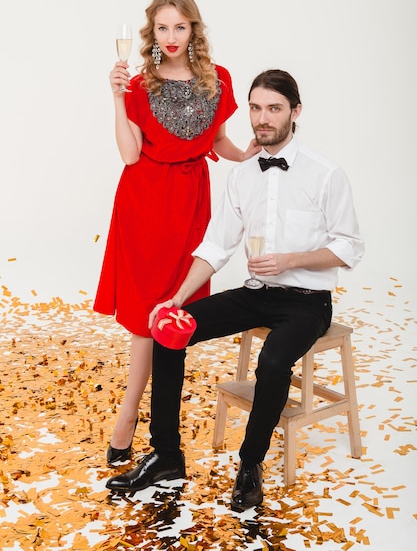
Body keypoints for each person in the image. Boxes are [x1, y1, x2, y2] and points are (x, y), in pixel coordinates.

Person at [105, 69, 364, 511]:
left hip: (305, 302)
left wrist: (292, 260)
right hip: (257, 291)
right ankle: (167, 456)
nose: (263, 118)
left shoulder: (326, 174)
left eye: (274, 108)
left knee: (275, 358)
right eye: (256, 108)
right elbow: (215, 245)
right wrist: (178, 299)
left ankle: (250, 465)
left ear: (295, 112)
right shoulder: (244, 175)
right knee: (172, 332)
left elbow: (350, 248)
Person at [94, 0, 260, 465]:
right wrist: (116, 96)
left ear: (194, 30)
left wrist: (245, 155)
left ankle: (158, 428)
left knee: (174, 310)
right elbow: (129, 154)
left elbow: (221, 142)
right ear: (152, 32)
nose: (171, 37)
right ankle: (129, 416)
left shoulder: (218, 79)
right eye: (162, 28)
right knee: (146, 317)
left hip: (191, 203)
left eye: (180, 27)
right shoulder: (139, 84)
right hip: (145, 202)